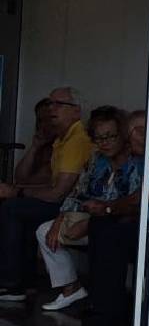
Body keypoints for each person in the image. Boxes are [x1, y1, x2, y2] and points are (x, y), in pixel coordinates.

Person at [35, 106, 141, 312]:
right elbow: (77, 193)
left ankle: (103, 305)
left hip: (117, 223)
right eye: (99, 138)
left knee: (102, 234)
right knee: (45, 231)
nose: (105, 143)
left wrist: (90, 223)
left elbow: (133, 206)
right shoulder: (96, 160)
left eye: (111, 136)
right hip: (91, 217)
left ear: (123, 135)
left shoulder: (136, 162)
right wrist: (59, 221)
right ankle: (71, 289)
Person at [0, 87, 93, 301]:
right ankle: (22, 283)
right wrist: (35, 148)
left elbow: (58, 193)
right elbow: (25, 179)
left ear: (76, 112)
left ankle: (12, 284)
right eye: (50, 103)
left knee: (12, 208)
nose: (52, 109)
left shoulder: (77, 138)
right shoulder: (61, 139)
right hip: (62, 203)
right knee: (16, 205)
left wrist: (16, 192)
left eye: (59, 104)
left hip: (75, 206)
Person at [11, 98, 55, 186]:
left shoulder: (65, 145)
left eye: (48, 120)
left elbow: (23, 181)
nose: (43, 125)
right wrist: (34, 148)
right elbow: (19, 176)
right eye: (40, 120)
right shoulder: (43, 145)